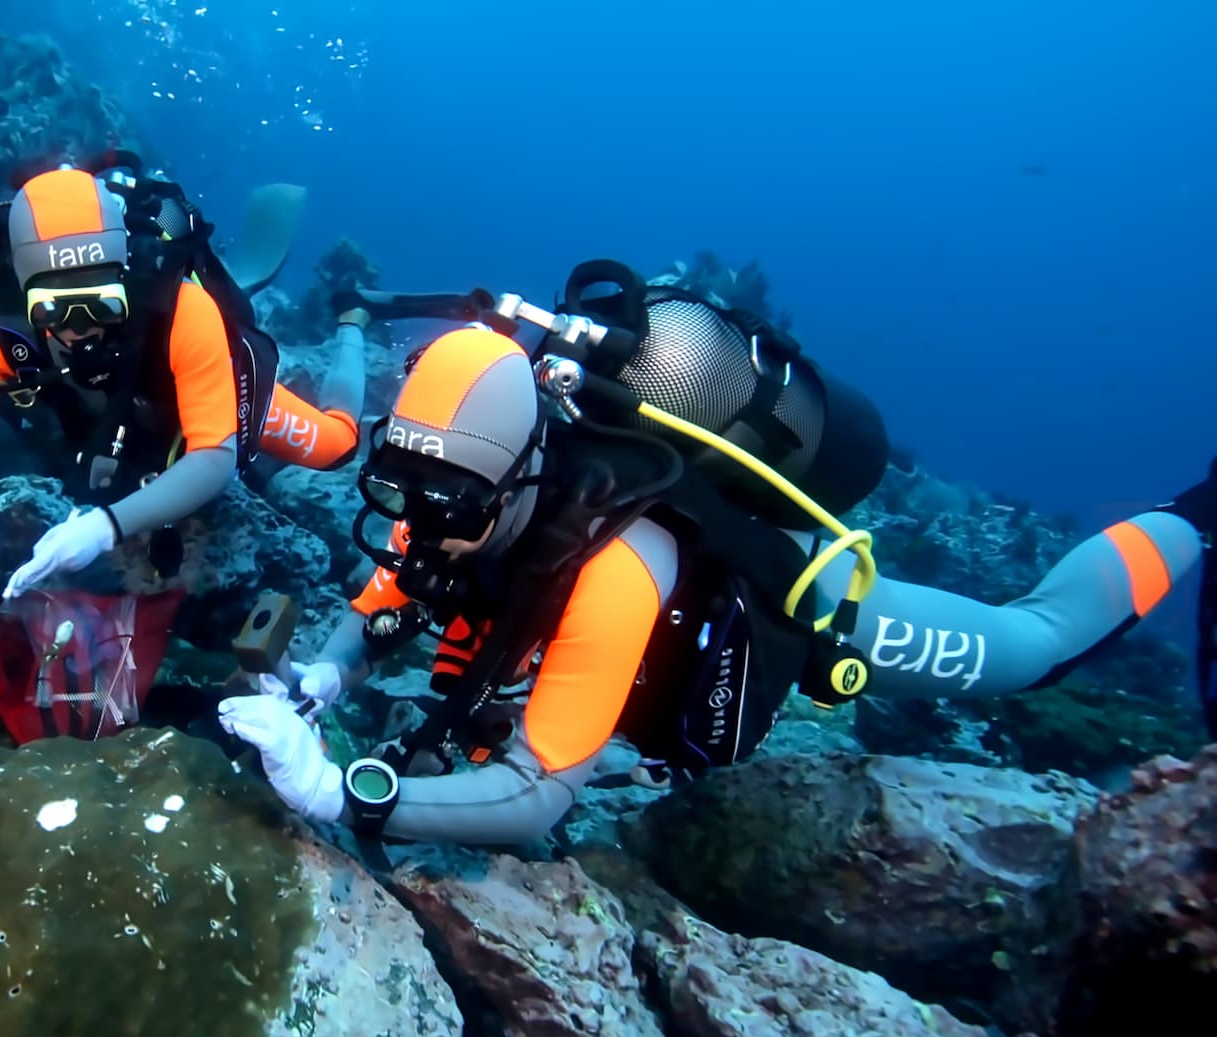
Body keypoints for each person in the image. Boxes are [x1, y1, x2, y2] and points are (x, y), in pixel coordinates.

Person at [214, 263, 1209, 848]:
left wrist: (345, 793)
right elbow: (396, 588)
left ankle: (1192, 514)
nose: (424, 522)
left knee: (1030, 643)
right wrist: (327, 672)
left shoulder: (617, 560)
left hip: (783, 612)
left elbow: (537, 790)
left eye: (450, 501)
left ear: (521, 474)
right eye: (404, 488)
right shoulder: (451, 488)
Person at [0, 162, 367, 597]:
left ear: (124, 281)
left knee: (336, 446)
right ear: (24, 290)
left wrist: (104, 527)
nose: (80, 327)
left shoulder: (183, 310)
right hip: (109, 416)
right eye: (53, 309)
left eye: (101, 304)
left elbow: (214, 458)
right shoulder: (3, 325)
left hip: (191, 391)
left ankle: (354, 317)